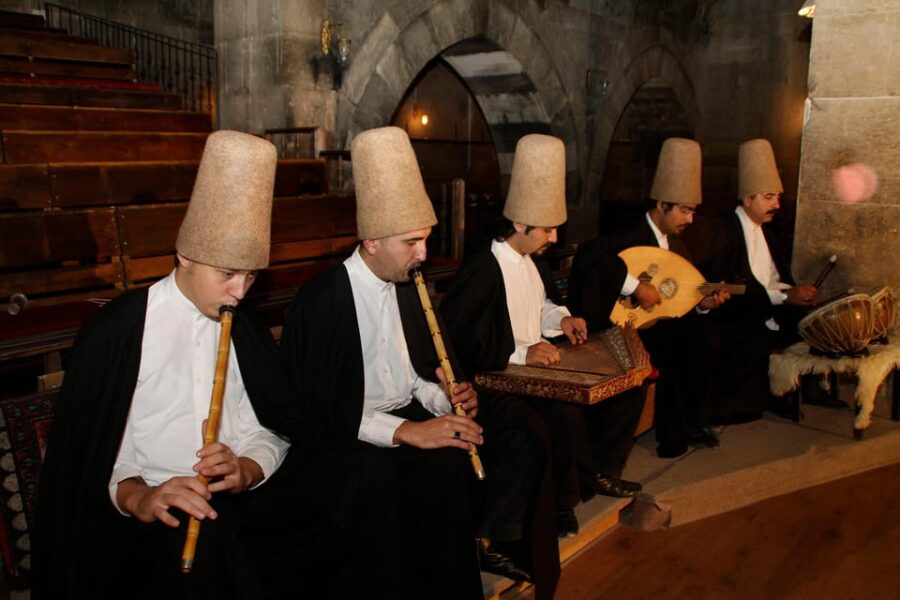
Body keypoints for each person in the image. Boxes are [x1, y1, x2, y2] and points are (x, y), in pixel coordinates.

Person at [33, 131, 309, 599]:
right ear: (184, 256)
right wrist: (140, 496)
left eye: (251, 276)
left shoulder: (243, 325)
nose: (240, 293)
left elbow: (271, 427)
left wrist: (246, 467)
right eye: (226, 275)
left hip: (235, 501)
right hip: (141, 515)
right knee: (203, 553)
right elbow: (97, 455)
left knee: (347, 493)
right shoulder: (117, 333)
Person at [280, 126, 483, 599]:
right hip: (343, 437)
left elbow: (412, 376)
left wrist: (442, 399)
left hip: (396, 417)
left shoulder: (408, 285)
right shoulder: (322, 301)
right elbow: (320, 409)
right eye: (411, 242)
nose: (424, 254)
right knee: (376, 486)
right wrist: (406, 432)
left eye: (426, 239)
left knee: (450, 468)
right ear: (371, 241)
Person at [441, 134, 644, 544]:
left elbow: (541, 305)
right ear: (519, 224)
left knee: (625, 392)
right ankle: (557, 506)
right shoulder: (483, 268)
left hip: (535, 369)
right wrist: (522, 351)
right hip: (494, 378)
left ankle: (593, 476)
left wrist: (562, 318)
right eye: (547, 230)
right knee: (561, 415)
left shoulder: (532, 261)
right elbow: (467, 340)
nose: (553, 238)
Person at [568, 138, 729, 458]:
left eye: (693, 211)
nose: (690, 219)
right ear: (661, 206)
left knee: (703, 338)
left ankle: (684, 426)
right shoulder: (628, 233)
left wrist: (704, 305)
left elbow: (680, 297)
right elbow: (590, 256)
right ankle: (676, 433)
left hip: (661, 328)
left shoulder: (678, 247)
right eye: (684, 210)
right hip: (620, 327)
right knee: (683, 346)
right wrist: (634, 286)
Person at [693, 138, 820, 422]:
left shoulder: (768, 231)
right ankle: (741, 406)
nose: (776, 204)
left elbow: (774, 278)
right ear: (747, 198)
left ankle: (799, 391)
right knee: (750, 341)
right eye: (768, 197)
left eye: (777, 197)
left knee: (815, 324)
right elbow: (718, 285)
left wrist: (795, 293)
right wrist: (785, 297)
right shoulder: (722, 231)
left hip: (767, 308)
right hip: (730, 313)